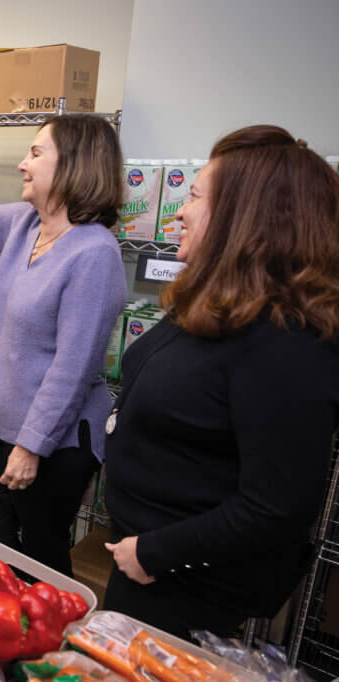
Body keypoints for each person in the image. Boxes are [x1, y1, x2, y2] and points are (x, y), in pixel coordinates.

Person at [102, 125, 339, 639]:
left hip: (185, 586)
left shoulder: (285, 343)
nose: (181, 212)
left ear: (243, 219)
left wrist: (154, 553)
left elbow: (275, 505)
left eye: (193, 196)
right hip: (145, 566)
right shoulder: (217, 301)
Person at [0, 106, 127, 575]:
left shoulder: (95, 254)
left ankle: (43, 643)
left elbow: (73, 368)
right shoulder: (26, 223)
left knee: (38, 558)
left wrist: (31, 446)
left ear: (74, 166)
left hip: (50, 442)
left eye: (36, 152)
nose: (23, 163)